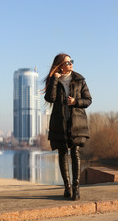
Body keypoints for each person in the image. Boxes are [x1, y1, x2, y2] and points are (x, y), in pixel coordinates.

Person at [44, 53, 92, 200]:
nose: (70, 64)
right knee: (62, 153)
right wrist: (55, 79)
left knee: (76, 152)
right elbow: (50, 98)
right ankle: (67, 187)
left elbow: (88, 100)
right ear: (60, 66)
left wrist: (75, 102)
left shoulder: (79, 80)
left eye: (71, 61)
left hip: (77, 122)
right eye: (67, 62)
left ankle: (76, 188)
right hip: (59, 122)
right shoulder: (55, 81)